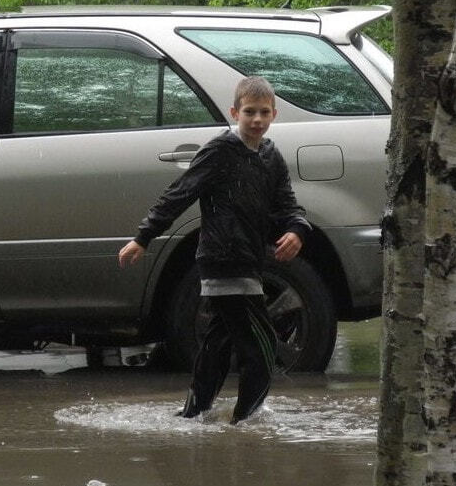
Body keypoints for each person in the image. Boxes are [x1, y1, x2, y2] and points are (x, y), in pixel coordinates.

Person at [118, 75, 312, 424]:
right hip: (223, 259)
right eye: (249, 112)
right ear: (234, 112)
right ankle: (247, 421)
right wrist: (143, 237)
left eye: (263, 112)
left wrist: (297, 229)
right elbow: (180, 192)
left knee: (219, 342)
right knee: (262, 344)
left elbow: (287, 202)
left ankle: (194, 414)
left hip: (252, 261)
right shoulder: (219, 151)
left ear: (274, 114)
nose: (256, 119)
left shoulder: (270, 155)